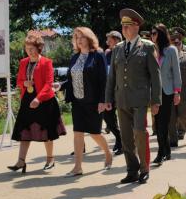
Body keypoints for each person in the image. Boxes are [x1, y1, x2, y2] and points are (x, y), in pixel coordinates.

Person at [102, 8, 161, 184]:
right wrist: (107, 99)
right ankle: (131, 170)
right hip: (122, 100)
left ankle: (144, 168)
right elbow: (112, 76)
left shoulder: (148, 47)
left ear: (136, 26)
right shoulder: (118, 49)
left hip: (140, 100)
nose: (125, 29)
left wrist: (156, 101)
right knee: (126, 137)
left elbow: (155, 76)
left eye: (128, 26)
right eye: (123, 26)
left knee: (140, 133)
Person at [57, 27, 113, 176]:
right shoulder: (74, 57)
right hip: (77, 102)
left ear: (89, 38)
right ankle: (78, 167)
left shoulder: (98, 55)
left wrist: (103, 101)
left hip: (94, 102)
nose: (79, 40)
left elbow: (103, 80)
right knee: (77, 133)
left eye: (81, 36)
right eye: (76, 37)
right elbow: (71, 79)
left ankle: (107, 153)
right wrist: (60, 85)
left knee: (95, 133)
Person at [8, 31, 66, 173]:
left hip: (45, 100)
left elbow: (49, 84)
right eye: (27, 49)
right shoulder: (23, 63)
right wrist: (24, 83)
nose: (29, 51)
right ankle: (21, 162)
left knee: (47, 131)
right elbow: (19, 81)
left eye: (32, 49)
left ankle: (50, 159)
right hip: (27, 101)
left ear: (38, 48)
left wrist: (38, 98)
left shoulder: (47, 62)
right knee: (24, 131)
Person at [151, 24, 181, 165]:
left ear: (161, 34)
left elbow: (176, 71)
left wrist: (177, 92)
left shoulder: (171, 50)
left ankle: (160, 153)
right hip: (154, 92)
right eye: (151, 33)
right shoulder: (151, 49)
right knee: (158, 123)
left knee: (163, 123)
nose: (152, 36)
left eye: (154, 33)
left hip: (168, 91)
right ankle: (167, 151)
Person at [168, 31, 186, 147]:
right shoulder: (167, 57)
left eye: (178, 43)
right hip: (169, 91)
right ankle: (173, 140)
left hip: (183, 93)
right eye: (174, 43)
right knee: (171, 117)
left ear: (181, 44)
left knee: (182, 115)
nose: (176, 45)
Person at [104, 31, 123, 155]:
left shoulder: (124, 51)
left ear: (116, 40)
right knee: (108, 117)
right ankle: (119, 138)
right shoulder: (108, 54)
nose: (107, 43)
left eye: (109, 41)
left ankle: (124, 143)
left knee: (125, 118)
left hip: (122, 90)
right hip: (110, 90)